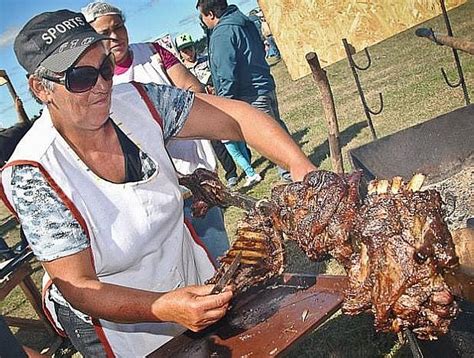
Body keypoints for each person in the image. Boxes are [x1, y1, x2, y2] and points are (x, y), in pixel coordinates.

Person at [2, 9, 316, 357]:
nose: (102, 86)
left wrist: (300, 165)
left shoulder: (142, 102)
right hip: (112, 314)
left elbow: (236, 118)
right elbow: (78, 284)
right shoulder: (33, 172)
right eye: (80, 77)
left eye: (105, 68)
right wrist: (161, 307)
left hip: (181, 270)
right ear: (40, 88)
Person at [82, 1, 229, 261]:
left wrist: (172, 123)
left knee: (219, 259)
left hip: (194, 178)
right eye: (105, 33)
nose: (114, 36)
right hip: (151, 197)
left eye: (119, 27)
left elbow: (193, 90)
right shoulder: (92, 81)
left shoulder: (154, 54)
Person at [197, 0, 292, 182]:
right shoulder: (245, 22)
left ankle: (291, 174)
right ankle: (294, 167)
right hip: (264, 84)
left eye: (202, 17)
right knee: (277, 128)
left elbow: (226, 73)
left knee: (269, 137)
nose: (203, 22)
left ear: (210, 14)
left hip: (250, 92)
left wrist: (225, 102)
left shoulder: (222, 33)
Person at [175, 32, 240, 188]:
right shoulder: (180, 71)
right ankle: (231, 172)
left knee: (234, 131)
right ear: (180, 53)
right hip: (201, 110)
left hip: (219, 102)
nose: (189, 52)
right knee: (216, 142)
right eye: (185, 50)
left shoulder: (206, 61)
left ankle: (246, 161)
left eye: (190, 48)